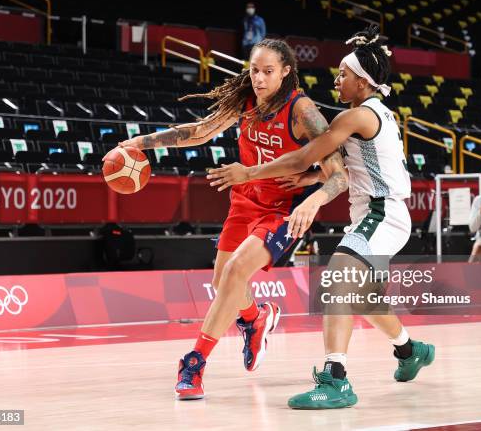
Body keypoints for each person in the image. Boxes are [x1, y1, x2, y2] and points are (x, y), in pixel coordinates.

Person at [207, 24, 435, 410]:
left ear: (362, 81)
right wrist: (313, 178)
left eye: (343, 75)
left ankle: (336, 380)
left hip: (383, 213)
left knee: (338, 279)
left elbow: (302, 154)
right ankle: (410, 351)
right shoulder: (371, 112)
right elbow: (349, 164)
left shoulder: (357, 117)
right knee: (361, 297)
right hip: (376, 212)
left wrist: (249, 173)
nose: (337, 80)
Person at [105, 39, 348, 400]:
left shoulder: (302, 110)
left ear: (286, 71)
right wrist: (138, 143)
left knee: (235, 272)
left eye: (268, 71)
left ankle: (194, 363)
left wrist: (313, 189)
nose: (260, 78)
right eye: (254, 70)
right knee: (223, 284)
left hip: (283, 209)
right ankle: (254, 318)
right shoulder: (246, 101)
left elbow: (338, 173)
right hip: (244, 201)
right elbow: (200, 131)